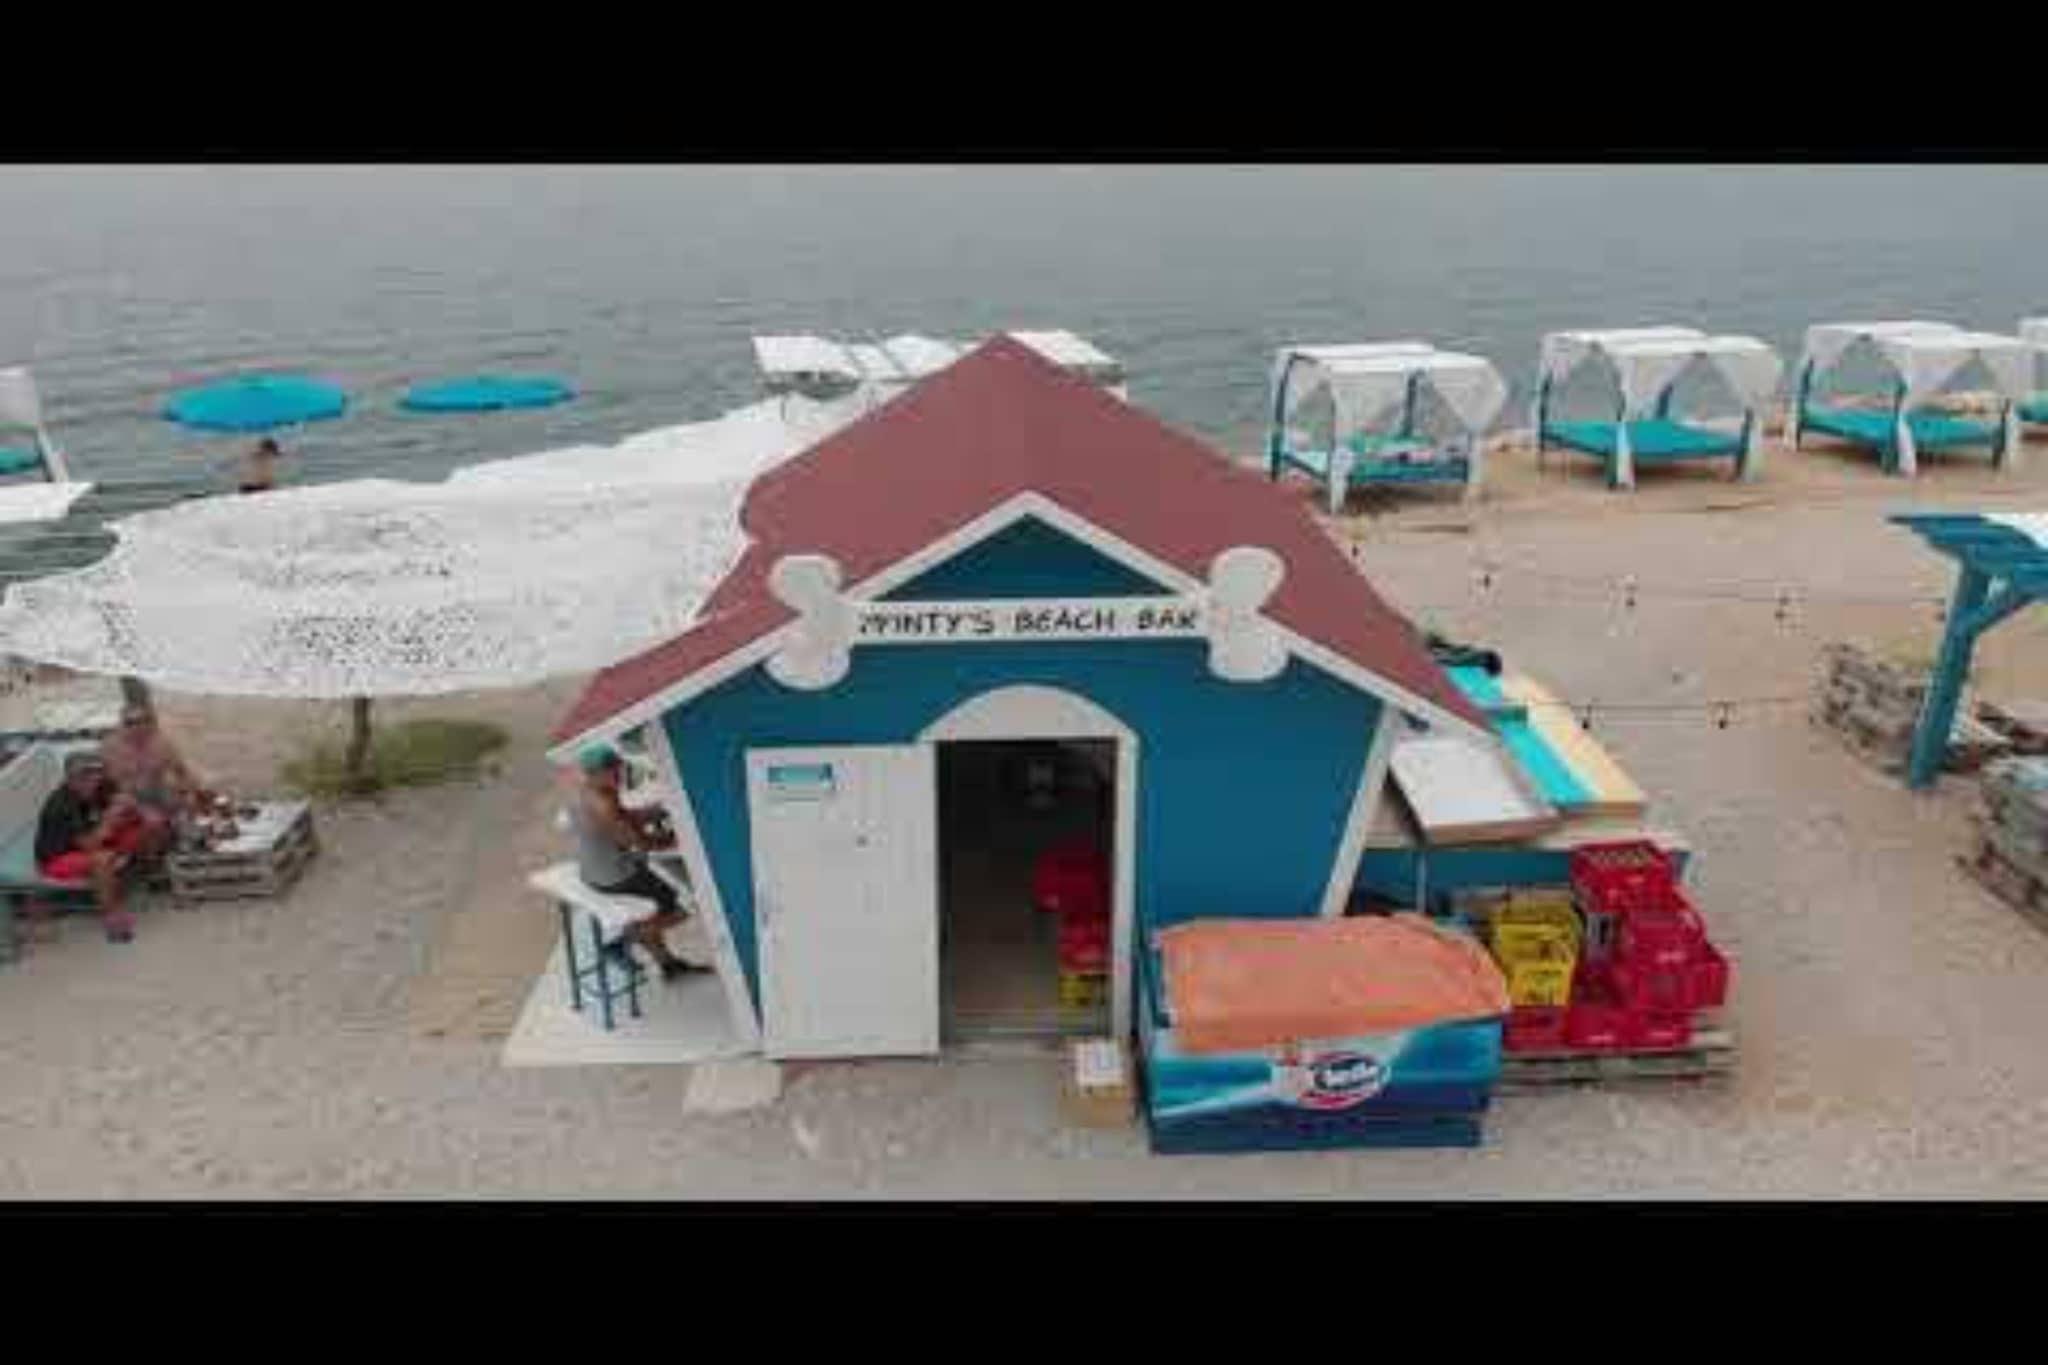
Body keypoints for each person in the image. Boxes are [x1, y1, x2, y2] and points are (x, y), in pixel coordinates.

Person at [571, 744, 707, 982]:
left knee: (648, 913)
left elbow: (623, 817)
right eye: (611, 771)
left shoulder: (592, 790)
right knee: (683, 908)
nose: (618, 775)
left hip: (595, 868)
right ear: (595, 774)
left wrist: (656, 811)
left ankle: (668, 965)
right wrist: (680, 836)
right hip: (614, 874)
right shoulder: (603, 804)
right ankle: (619, 944)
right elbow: (641, 843)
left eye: (618, 768)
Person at [35, 752, 144, 943]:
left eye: (94, 773)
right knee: (102, 860)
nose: (91, 780)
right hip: (58, 858)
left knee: (145, 825)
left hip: (90, 844)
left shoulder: (99, 789)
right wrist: (109, 820)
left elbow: (132, 812)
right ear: (69, 778)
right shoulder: (61, 804)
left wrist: (129, 806)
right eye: (83, 775)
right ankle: (112, 918)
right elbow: (89, 845)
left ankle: (138, 878)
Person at [98, 700, 201, 862]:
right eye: (130, 723)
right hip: (124, 795)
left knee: (187, 802)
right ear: (122, 724)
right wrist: (141, 808)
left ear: (150, 723)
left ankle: (184, 846)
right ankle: (145, 860)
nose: (137, 727)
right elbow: (108, 786)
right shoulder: (110, 748)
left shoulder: (162, 743)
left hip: (155, 790)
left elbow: (182, 771)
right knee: (150, 818)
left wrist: (189, 792)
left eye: (143, 721)